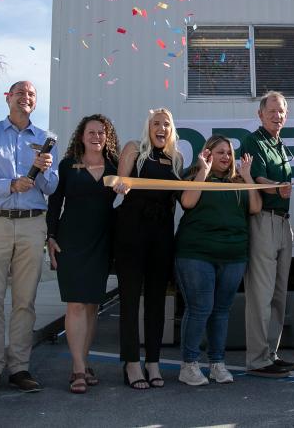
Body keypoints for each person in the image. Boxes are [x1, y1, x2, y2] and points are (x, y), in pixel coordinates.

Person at [0, 80, 57, 394]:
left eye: (32, 93)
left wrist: (44, 171)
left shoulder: (45, 140)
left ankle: (19, 367)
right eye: (20, 92)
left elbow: (51, 188)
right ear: (8, 98)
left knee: (25, 301)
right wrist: (10, 185)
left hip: (33, 225)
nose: (26, 97)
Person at [174, 136, 261, 386]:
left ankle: (217, 364)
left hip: (233, 255)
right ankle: (189, 365)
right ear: (208, 153)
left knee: (221, 312)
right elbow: (187, 202)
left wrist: (247, 176)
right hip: (196, 254)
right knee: (200, 308)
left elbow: (255, 207)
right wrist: (204, 170)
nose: (226, 157)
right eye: (220, 152)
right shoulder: (197, 175)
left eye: (229, 153)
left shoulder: (238, 181)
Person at [46, 114, 119, 393]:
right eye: (91, 131)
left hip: (102, 240)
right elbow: (54, 204)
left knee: (91, 306)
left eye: (102, 132)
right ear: (81, 135)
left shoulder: (114, 168)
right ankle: (77, 369)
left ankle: (84, 362)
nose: (96, 136)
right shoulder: (67, 166)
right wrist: (50, 236)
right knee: (75, 303)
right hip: (71, 241)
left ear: (107, 137)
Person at [113, 108, 184, 389]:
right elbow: (121, 181)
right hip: (131, 231)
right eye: (156, 123)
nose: (161, 128)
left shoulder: (176, 158)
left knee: (157, 301)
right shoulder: (134, 148)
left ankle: (152, 361)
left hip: (162, 233)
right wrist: (122, 185)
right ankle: (131, 363)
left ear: (171, 130)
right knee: (130, 299)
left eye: (166, 124)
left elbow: (182, 197)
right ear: (149, 127)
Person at [241, 91, 294, 378]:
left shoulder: (280, 143)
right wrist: (276, 187)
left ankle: (270, 354)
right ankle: (257, 359)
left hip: (282, 222)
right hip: (263, 221)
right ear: (261, 114)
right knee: (260, 294)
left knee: (278, 294)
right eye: (272, 111)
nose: (277, 116)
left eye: (282, 112)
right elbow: (258, 178)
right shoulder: (254, 141)